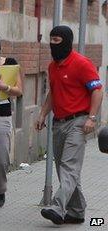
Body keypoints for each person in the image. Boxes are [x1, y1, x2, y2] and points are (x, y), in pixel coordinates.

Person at [35, 25, 103, 225]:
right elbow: (53, 93)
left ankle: (57, 206)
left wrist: (91, 118)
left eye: (57, 40)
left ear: (66, 41)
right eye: (51, 39)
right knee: (64, 169)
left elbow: (97, 91)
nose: (53, 44)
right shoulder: (52, 67)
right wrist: (42, 114)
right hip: (58, 123)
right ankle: (77, 211)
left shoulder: (82, 63)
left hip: (78, 122)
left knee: (69, 166)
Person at [0, 36, 23, 207]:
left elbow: (19, 90)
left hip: (1, 115)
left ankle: (0, 188)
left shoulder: (10, 63)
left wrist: (5, 87)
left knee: (2, 158)